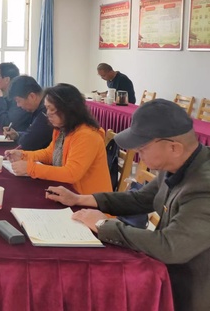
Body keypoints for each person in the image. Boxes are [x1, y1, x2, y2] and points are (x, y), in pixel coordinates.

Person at [46, 99, 210, 311]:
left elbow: (170, 247)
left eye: (143, 148)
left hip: (194, 290)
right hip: (171, 272)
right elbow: (140, 199)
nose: (138, 154)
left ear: (174, 148)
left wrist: (104, 225)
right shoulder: (178, 163)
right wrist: (79, 199)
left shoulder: (203, 187)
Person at [5, 83, 112, 194]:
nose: (48, 114)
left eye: (51, 109)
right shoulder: (62, 129)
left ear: (69, 109)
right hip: (68, 193)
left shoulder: (87, 135)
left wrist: (31, 168)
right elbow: (50, 154)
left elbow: (71, 174)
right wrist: (23, 155)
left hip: (88, 198)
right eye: (47, 108)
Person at [3, 75, 53, 151]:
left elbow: (28, 143)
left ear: (32, 96)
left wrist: (21, 137)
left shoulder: (46, 111)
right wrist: (17, 135)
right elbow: (33, 134)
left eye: (18, 101)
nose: (18, 105)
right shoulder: (38, 107)